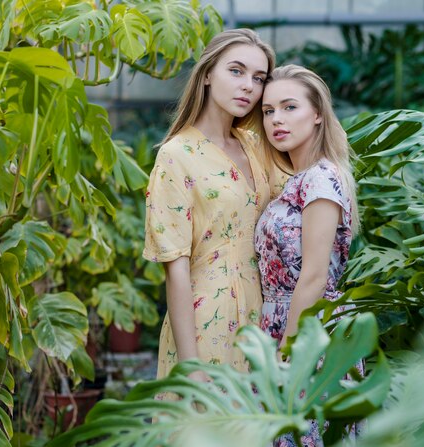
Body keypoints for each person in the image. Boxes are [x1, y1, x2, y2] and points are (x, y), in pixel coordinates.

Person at [143, 29, 276, 383]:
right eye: (236, 71)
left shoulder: (255, 144)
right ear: (206, 75)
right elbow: (176, 270)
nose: (248, 85)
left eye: (258, 78)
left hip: (261, 319)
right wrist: (191, 369)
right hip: (205, 322)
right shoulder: (176, 155)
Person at [255, 65, 361, 446]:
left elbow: (314, 276)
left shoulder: (319, 179)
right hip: (285, 323)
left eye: (289, 107)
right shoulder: (298, 179)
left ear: (317, 114)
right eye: (268, 111)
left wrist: (289, 349)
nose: (276, 120)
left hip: (306, 330)